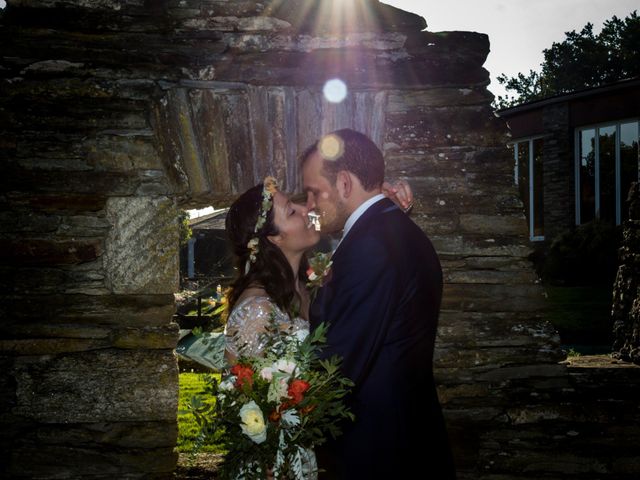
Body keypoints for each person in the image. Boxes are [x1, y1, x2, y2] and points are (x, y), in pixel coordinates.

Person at [301, 128, 456, 479]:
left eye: (314, 191)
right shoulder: (392, 230)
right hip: (403, 441)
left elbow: (337, 367)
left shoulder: (371, 245)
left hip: (379, 453)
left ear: (343, 183)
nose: (309, 204)